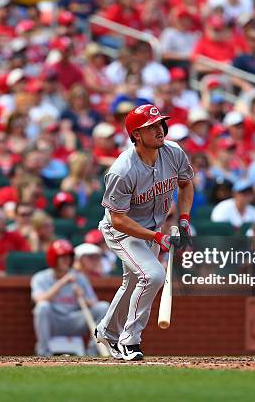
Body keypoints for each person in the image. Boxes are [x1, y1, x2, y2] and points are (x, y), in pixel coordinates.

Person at [94, 104, 194, 361]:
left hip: (152, 228)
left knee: (132, 284)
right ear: (137, 135)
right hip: (122, 230)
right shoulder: (122, 170)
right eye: (151, 126)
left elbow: (185, 185)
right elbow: (118, 219)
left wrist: (183, 221)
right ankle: (130, 339)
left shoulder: (173, 152)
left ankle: (107, 329)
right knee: (153, 275)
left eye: (160, 123)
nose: (159, 129)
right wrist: (157, 237)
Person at [31, 239, 109, 357]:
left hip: (74, 320)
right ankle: (44, 352)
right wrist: (62, 282)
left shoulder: (79, 277)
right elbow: (39, 300)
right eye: (62, 258)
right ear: (54, 258)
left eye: (68, 257)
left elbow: (94, 303)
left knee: (103, 307)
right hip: (53, 321)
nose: (66, 261)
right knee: (42, 307)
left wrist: (82, 296)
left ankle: (93, 352)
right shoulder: (41, 277)